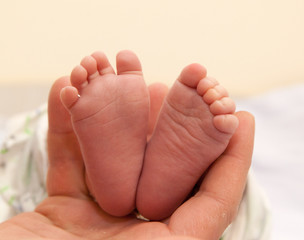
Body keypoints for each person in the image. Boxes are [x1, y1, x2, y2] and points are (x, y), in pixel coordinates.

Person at [0, 50, 256, 239]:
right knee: (229, 197)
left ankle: (100, 179)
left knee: (39, 155)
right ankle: (174, 189)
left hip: (48, 189)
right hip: (200, 210)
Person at [58, 50, 239, 220]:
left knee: (60, 152)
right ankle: (163, 185)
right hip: (209, 219)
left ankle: (104, 184)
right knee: (220, 178)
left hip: (72, 204)